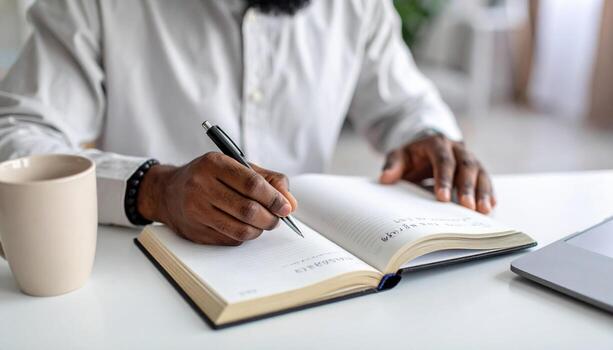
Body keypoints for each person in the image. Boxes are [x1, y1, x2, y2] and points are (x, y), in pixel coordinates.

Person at [0, 0, 495, 246]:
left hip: (306, 278)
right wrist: (153, 188)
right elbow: (17, 139)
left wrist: (427, 135)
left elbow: (405, 101)